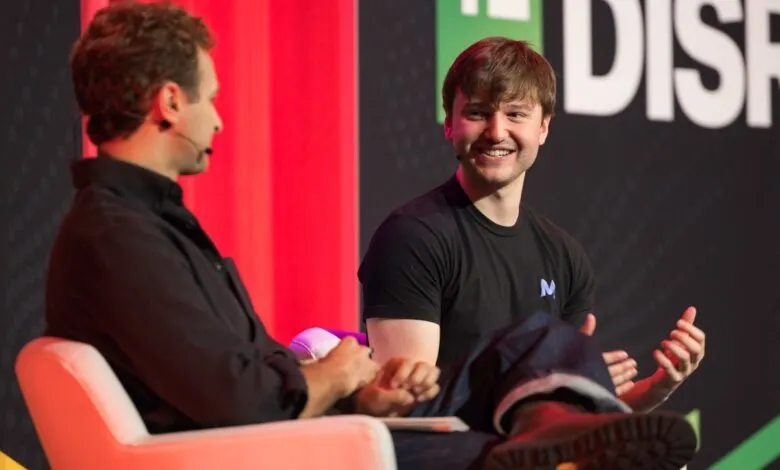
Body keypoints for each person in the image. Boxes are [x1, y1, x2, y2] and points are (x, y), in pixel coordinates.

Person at [45, 4, 698, 469]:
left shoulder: (147, 225)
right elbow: (231, 398)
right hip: (248, 454)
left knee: (534, 377)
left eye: (517, 114)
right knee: (523, 385)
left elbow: (233, 368)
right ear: (167, 103)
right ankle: (556, 417)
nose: (218, 117)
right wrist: (330, 376)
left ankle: (561, 417)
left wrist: (359, 389)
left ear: (544, 125)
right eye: (210, 98)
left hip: (288, 436)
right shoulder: (118, 235)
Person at [359, 37, 706, 413]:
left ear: (543, 127)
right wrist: (534, 381)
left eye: (516, 114)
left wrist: (659, 386)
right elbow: (405, 407)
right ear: (449, 124)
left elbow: (567, 416)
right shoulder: (411, 238)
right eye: (477, 113)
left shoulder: (565, 257)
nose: (496, 132)